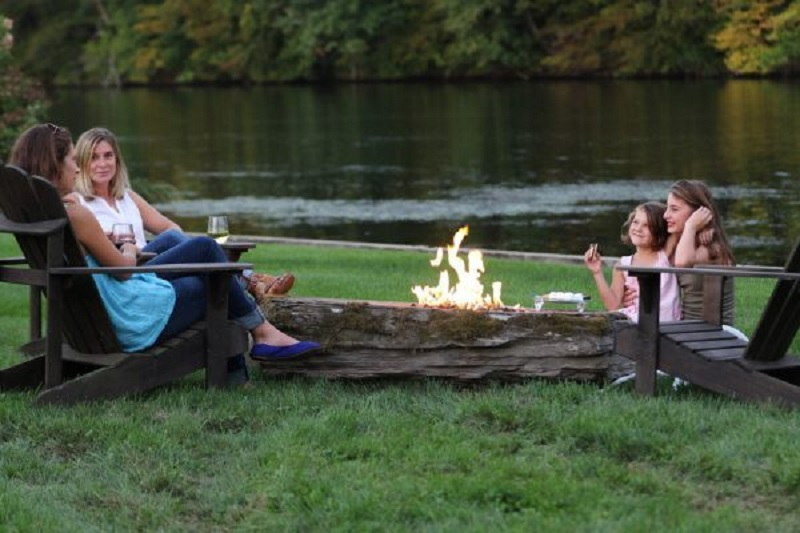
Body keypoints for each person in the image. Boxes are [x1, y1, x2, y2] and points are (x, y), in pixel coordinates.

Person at [9, 123, 321, 385]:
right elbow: (123, 270)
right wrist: (129, 248)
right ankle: (260, 337)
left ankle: (257, 328)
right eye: (73, 160)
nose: (76, 167)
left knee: (207, 258)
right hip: (127, 318)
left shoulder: (37, 210)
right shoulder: (77, 214)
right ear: (55, 163)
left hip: (96, 315)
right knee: (214, 280)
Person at [72, 127, 295, 300]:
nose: (102, 163)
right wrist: (130, 250)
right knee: (187, 246)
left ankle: (248, 284)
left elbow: (171, 228)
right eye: (93, 157)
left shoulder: (128, 197)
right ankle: (250, 281)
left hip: (152, 264)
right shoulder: (80, 203)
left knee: (173, 239)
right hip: (124, 272)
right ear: (81, 163)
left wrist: (158, 253)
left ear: (117, 160)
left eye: (108, 156)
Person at [584, 201, 680, 323]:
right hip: (635, 324)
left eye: (647, 225)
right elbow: (612, 305)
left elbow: (680, 223)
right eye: (636, 222)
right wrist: (597, 272)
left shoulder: (666, 254)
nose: (638, 228)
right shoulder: (623, 265)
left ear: (659, 231)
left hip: (667, 325)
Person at [664, 179, 737, 326]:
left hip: (714, 333)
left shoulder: (713, 249)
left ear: (698, 213)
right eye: (667, 208)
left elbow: (682, 263)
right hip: (688, 330)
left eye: (674, 209)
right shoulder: (681, 243)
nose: (666, 215)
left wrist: (691, 226)